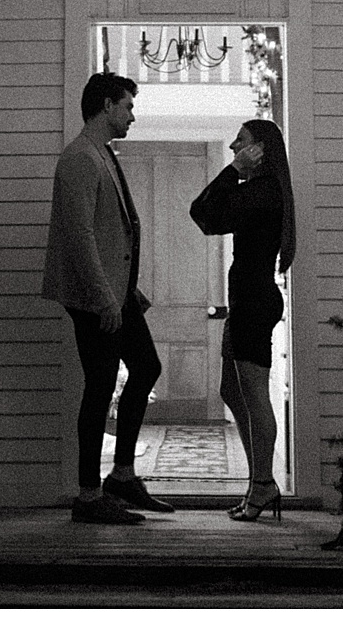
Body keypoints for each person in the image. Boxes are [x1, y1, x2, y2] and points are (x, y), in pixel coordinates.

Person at [41, 72, 173, 524]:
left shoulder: (101, 155)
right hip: (96, 298)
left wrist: (126, 287)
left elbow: (107, 232)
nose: (132, 115)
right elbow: (78, 236)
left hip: (117, 293)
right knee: (99, 388)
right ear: (105, 105)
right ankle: (89, 496)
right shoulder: (80, 158)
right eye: (128, 106)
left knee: (147, 367)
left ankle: (122, 474)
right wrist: (104, 298)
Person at [188, 118, 297, 522]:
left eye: (242, 141)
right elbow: (207, 216)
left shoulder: (264, 192)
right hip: (246, 301)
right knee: (231, 391)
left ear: (261, 150)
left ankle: (264, 486)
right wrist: (234, 173)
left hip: (254, 302)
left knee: (253, 394)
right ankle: (259, 481)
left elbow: (202, 213)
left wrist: (232, 172)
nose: (234, 146)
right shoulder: (257, 191)